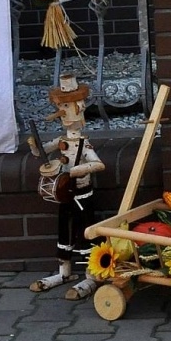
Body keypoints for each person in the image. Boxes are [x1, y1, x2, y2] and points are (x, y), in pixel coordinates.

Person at [28, 74, 106, 299]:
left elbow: (99, 164)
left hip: (82, 194)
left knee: (86, 232)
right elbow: (41, 152)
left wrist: (74, 171)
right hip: (65, 197)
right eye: (60, 106)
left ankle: (91, 276)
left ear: (79, 107)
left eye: (66, 106)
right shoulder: (62, 140)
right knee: (64, 230)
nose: (62, 111)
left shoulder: (84, 143)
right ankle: (64, 272)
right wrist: (35, 146)